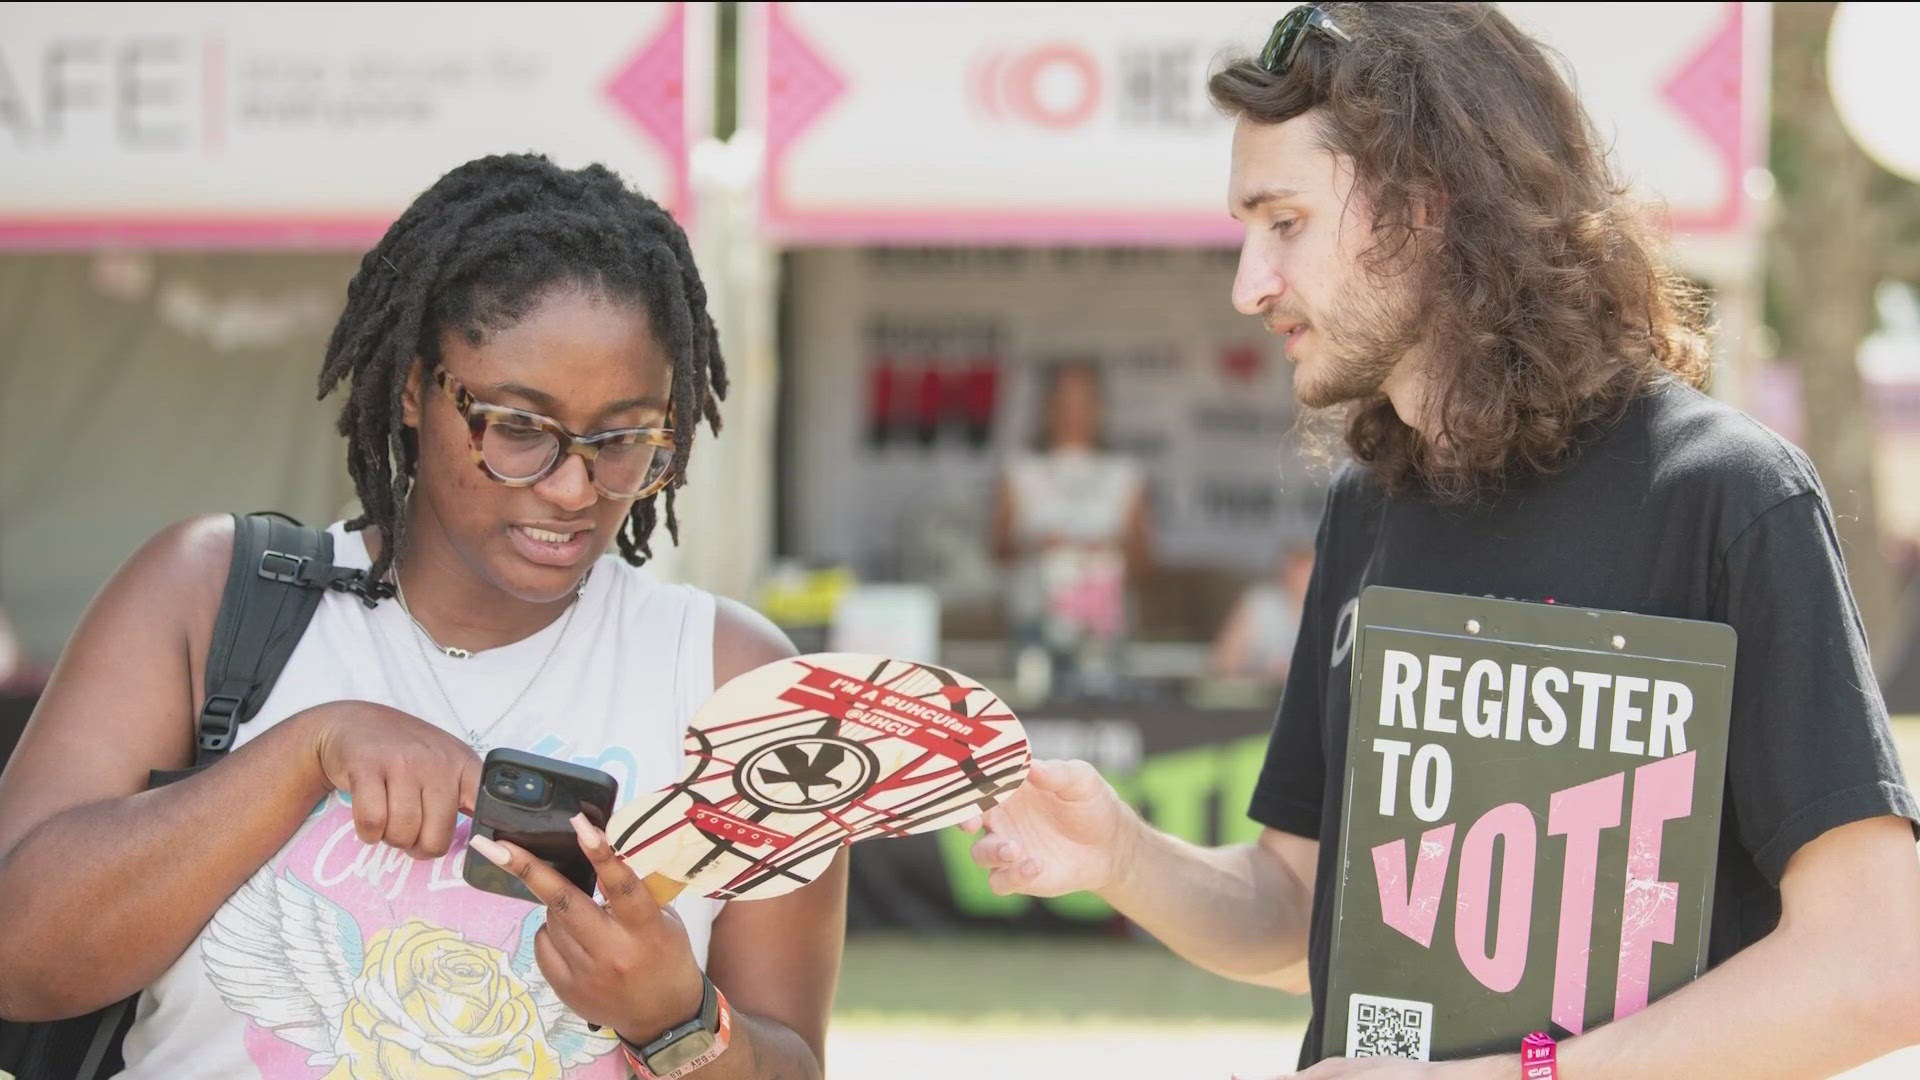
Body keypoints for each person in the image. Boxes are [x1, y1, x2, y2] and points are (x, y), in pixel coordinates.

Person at [966, 4, 1920, 1077]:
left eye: (1284, 222)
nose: (1248, 284)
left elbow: (1877, 958)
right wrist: (1122, 857)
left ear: (1423, 212)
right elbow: (1298, 909)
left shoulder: (1724, 494)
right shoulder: (1367, 509)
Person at [0, 155, 843, 1079]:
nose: (572, 488)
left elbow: (788, 1062)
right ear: (411, 388)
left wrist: (677, 1019)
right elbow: (17, 959)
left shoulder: (740, 685)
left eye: (625, 439)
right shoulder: (204, 596)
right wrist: (308, 749)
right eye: (517, 427)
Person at [992, 362, 1154, 697]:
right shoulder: (1022, 470)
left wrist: (1107, 555)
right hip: (1034, 624)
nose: (1074, 411)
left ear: (1099, 406)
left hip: (1102, 632)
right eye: (1064, 400)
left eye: (1084, 400)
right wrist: (1039, 547)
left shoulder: (1123, 473)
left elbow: (1146, 560)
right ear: (1048, 405)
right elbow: (998, 550)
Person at [1209, 544, 1315, 683]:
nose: (1297, 577)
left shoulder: (1338, 610)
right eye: (1294, 569)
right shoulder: (1261, 603)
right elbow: (1223, 662)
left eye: (1306, 569)